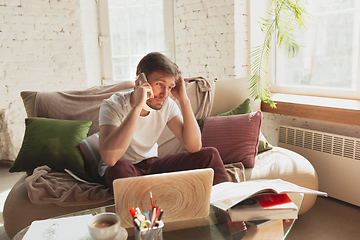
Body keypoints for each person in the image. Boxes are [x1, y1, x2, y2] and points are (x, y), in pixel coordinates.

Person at [98, 52, 230, 191]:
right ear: (140, 79)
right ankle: (147, 207)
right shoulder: (113, 105)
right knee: (120, 167)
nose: (165, 94)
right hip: (122, 168)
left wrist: (183, 100)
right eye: (160, 84)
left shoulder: (167, 104)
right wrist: (138, 106)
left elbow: (194, 146)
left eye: (169, 87)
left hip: (152, 165)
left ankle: (229, 207)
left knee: (210, 154)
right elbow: (110, 159)